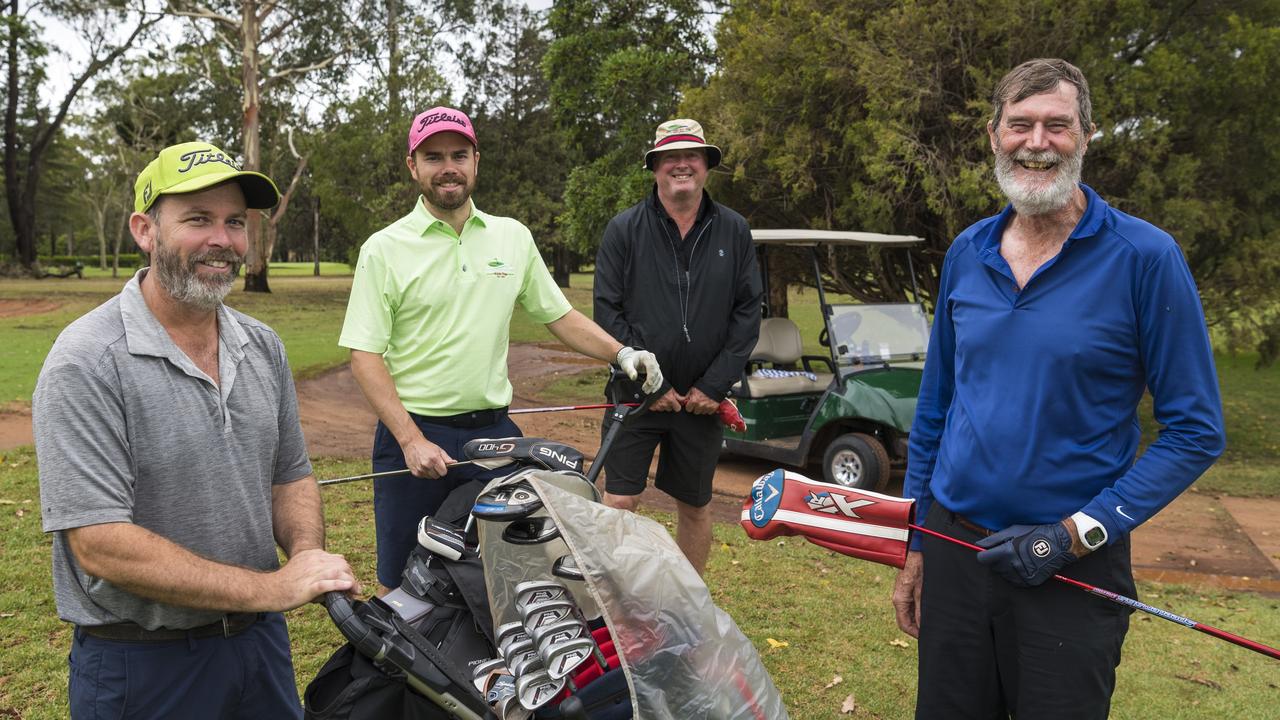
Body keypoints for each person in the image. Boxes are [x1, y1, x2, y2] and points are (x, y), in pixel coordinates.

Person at [892, 59, 1226, 718]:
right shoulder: (967, 252)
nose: (1037, 142)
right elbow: (935, 409)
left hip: (1072, 566)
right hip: (958, 554)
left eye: (1057, 125)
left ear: (1088, 135)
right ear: (994, 136)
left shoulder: (1145, 258)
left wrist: (1077, 534)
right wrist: (915, 543)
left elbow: (1196, 430)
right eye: (1020, 125)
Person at [34, 141, 360, 719]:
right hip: (143, 666)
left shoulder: (262, 346)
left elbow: (290, 476)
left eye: (235, 222)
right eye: (198, 219)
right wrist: (274, 589)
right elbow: (100, 544)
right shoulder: (86, 361)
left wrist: (306, 557)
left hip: (259, 650)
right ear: (145, 230)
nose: (223, 239)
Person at [339, 106, 662, 594]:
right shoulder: (383, 249)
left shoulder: (512, 237)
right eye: (433, 156)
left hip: (495, 436)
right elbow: (365, 355)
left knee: (504, 575)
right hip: (413, 436)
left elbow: (559, 316)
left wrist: (622, 354)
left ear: (476, 161)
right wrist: (409, 440)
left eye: (458, 155)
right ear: (413, 166)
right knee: (404, 583)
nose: (448, 166)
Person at [593, 119, 762, 575]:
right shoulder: (624, 229)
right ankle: (615, 599)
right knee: (619, 499)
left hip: (702, 402)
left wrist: (713, 385)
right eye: (671, 157)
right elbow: (608, 313)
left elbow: (748, 315)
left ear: (706, 166)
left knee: (695, 504)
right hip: (635, 394)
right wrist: (652, 384)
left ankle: (689, 609)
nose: (681, 165)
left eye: (692, 156)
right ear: (655, 168)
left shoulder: (734, 230)